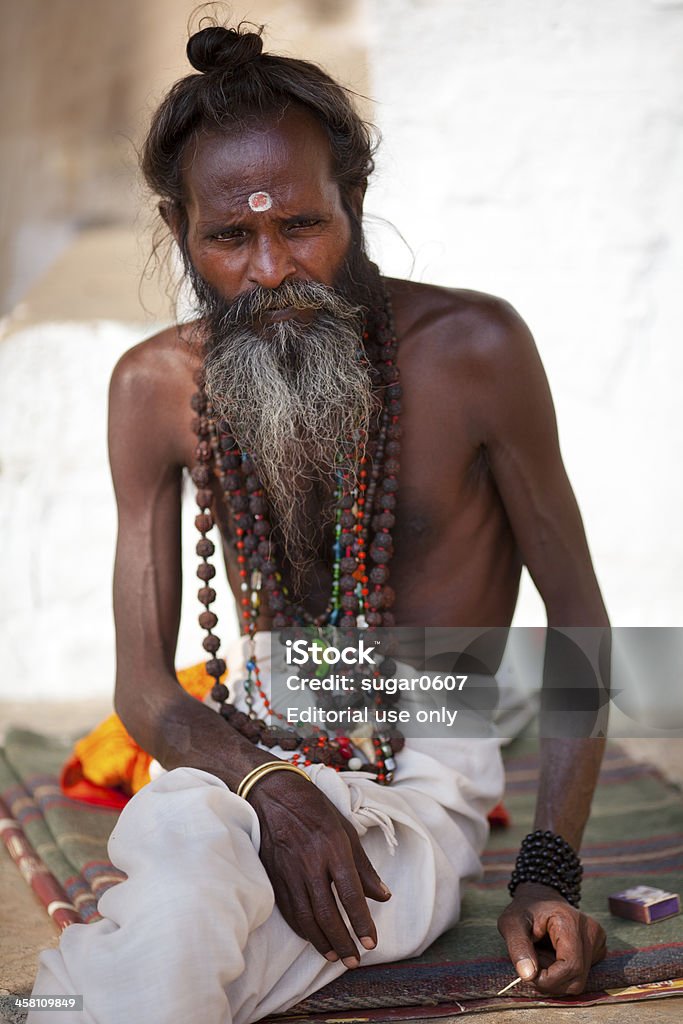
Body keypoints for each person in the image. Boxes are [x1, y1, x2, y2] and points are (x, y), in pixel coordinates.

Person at [29, 21, 608, 1024]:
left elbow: (580, 631)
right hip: (236, 747)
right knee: (190, 875)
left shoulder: (474, 350)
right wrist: (265, 784)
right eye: (228, 236)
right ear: (178, 231)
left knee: (183, 927)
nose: (269, 270)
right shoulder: (153, 389)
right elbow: (143, 685)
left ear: (356, 203)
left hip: (421, 756)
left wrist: (545, 871)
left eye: (299, 225)